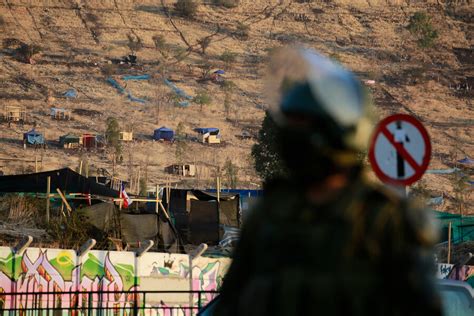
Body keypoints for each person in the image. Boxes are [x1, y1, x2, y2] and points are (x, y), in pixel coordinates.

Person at [213, 48, 442, 315]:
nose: (291, 137)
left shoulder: (387, 220)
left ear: (334, 134)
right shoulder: (268, 218)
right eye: (290, 125)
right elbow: (230, 305)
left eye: (302, 126)